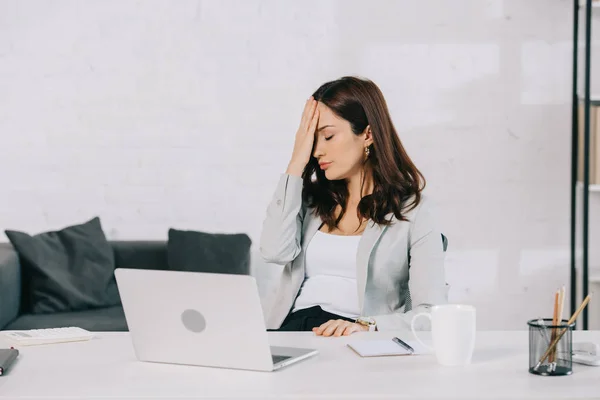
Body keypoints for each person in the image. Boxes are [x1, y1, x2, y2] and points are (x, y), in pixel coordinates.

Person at [259, 76, 448, 337]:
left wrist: (365, 326)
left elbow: (432, 314)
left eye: (328, 136)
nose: (317, 151)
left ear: (368, 134)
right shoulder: (309, 201)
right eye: (312, 140)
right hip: (293, 332)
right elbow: (273, 252)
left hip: (353, 337)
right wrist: (295, 163)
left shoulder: (414, 212)